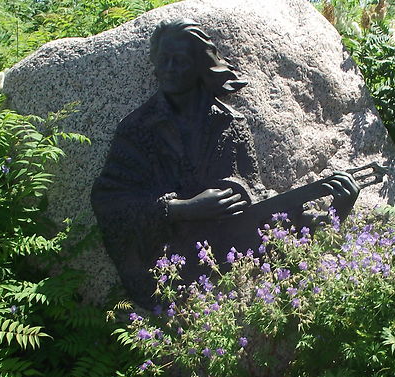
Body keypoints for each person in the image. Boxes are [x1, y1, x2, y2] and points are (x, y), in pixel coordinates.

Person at [91, 18, 358, 307]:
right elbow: (109, 200)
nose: (168, 69)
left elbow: (256, 199)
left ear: (199, 66)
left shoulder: (231, 124)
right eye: (163, 60)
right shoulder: (139, 127)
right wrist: (180, 209)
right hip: (166, 267)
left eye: (179, 60)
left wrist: (330, 213)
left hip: (224, 257)